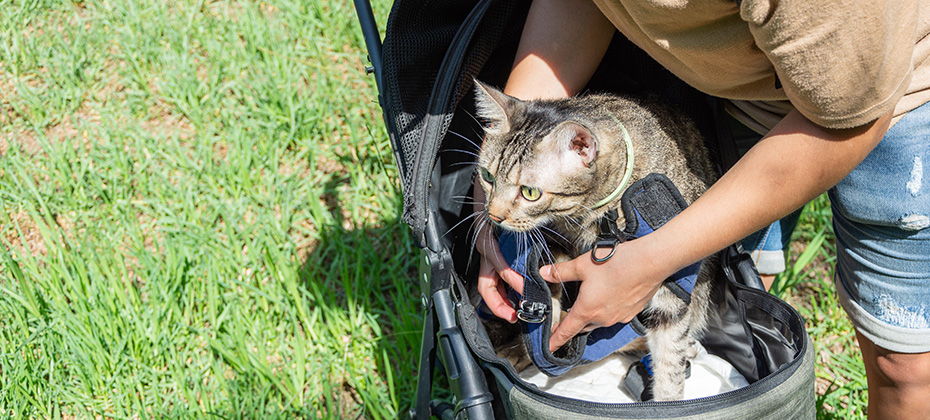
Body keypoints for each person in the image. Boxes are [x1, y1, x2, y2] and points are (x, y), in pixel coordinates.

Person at [473, 0, 930, 418]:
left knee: (905, 366)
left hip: (891, 101)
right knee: (739, 306)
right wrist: (494, 181)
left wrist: (652, 261)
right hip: (747, 95)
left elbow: (853, 116)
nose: (496, 211)